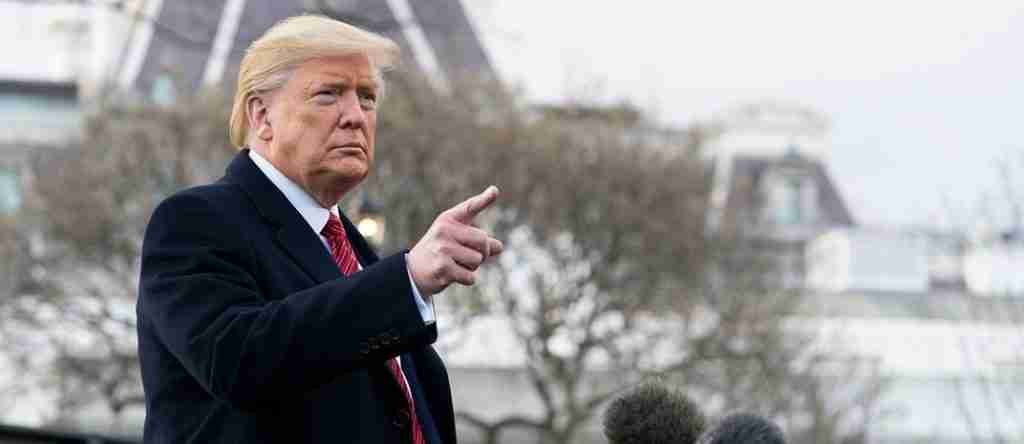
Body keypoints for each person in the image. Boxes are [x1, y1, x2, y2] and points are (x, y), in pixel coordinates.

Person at [137, 15, 502, 444]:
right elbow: (237, 360)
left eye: (367, 97)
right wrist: (406, 280)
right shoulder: (193, 222)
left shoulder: (353, 249)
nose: (356, 116)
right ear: (262, 116)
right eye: (329, 94)